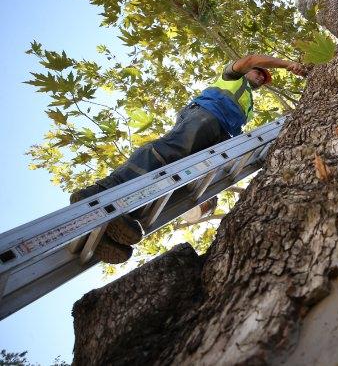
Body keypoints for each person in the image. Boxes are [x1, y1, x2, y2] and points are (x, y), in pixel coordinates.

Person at [69, 54, 307, 263]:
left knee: (179, 181)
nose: (261, 78)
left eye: (264, 79)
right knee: (168, 153)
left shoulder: (249, 104)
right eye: (259, 73)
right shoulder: (232, 78)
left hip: (223, 134)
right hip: (206, 116)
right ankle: (99, 192)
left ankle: (117, 224)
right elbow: (252, 58)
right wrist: (287, 65)